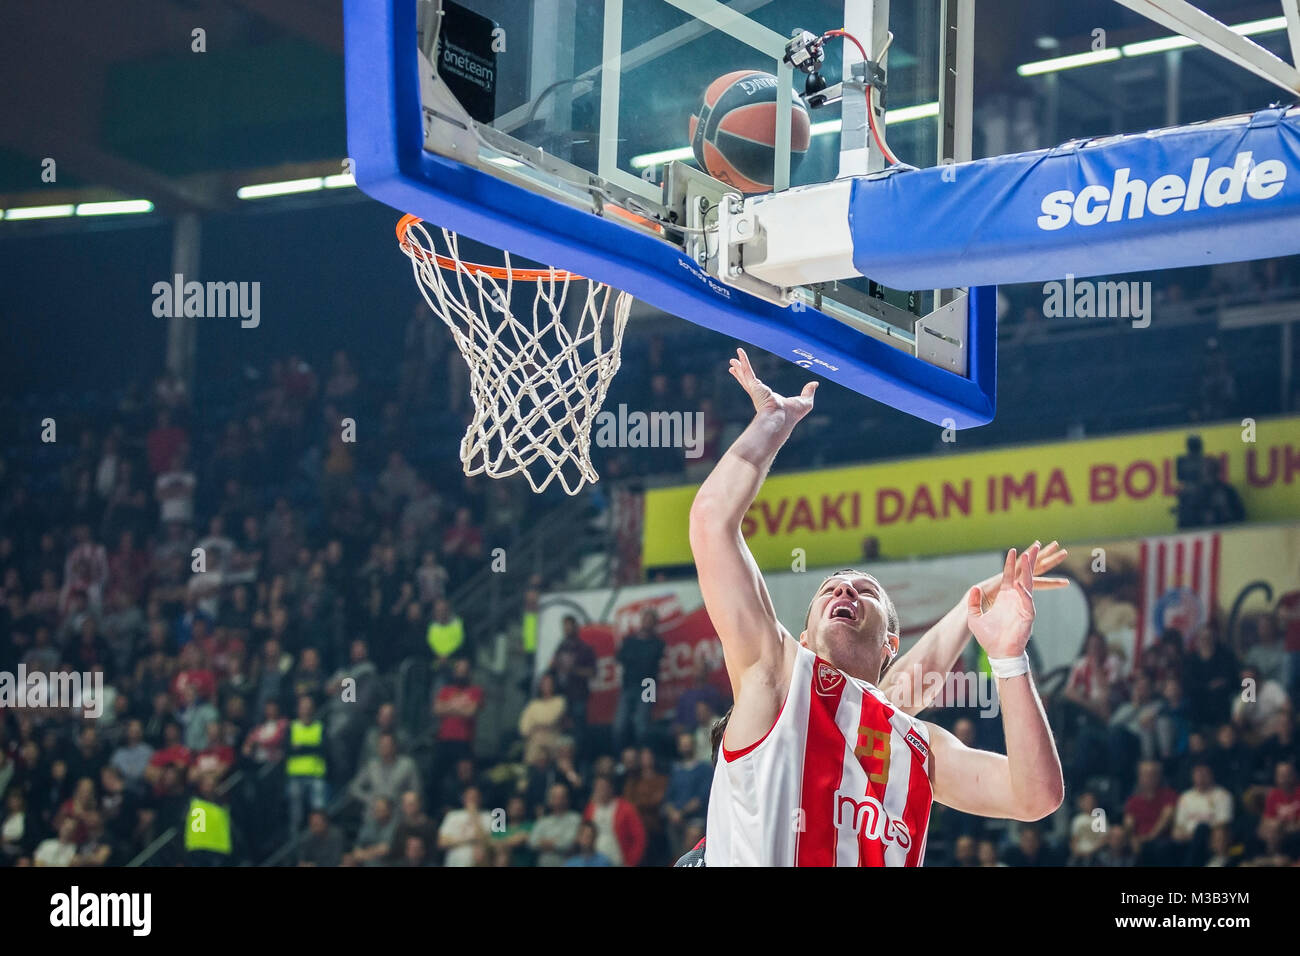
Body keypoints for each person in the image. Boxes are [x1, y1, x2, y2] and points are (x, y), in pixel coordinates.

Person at [689, 349, 1064, 866]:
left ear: (891, 641)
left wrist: (1006, 656)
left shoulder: (914, 743)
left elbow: (1035, 795)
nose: (845, 591)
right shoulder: (776, 674)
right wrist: (770, 424)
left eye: (863, 590)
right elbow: (712, 521)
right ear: (801, 636)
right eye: (831, 589)